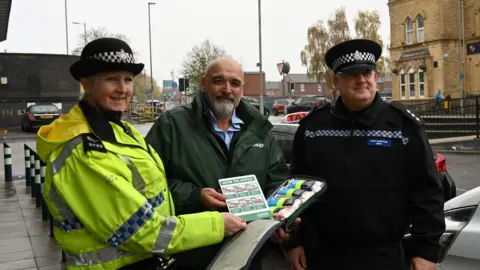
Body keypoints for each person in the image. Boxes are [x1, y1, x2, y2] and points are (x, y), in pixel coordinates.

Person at [37, 38, 247, 270]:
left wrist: (197, 195)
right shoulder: (83, 151)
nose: (123, 89)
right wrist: (218, 224)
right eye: (111, 79)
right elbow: (142, 232)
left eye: (128, 80)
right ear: (87, 84)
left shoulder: (120, 131)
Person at [284, 39, 445, 270]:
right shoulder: (313, 128)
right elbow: (298, 188)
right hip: (322, 255)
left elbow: (427, 193)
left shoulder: (403, 127)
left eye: (367, 72)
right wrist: (294, 241)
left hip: (383, 256)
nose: (361, 80)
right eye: (352, 74)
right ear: (336, 82)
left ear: (375, 77)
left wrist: (426, 251)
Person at [145, 56, 293, 269]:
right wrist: (195, 196)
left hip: (249, 253)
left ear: (242, 88)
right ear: (204, 84)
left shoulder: (259, 130)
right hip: (192, 254)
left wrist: (278, 220)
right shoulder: (172, 125)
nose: (227, 89)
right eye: (218, 81)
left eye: (234, 83)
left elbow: (276, 182)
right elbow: (147, 188)